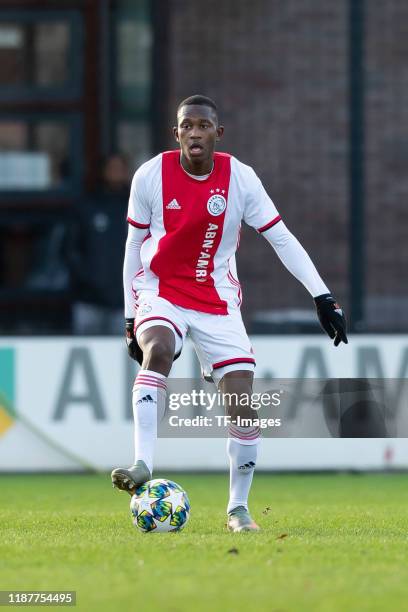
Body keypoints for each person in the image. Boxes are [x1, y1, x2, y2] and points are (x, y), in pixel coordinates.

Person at [111, 95, 348, 532]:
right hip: (161, 290)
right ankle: (143, 462)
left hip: (218, 301)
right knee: (158, 350)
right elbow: (132, 248)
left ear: (218, 134)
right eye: (187, 126)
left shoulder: (240, 179)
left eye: (204, 126)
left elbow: (281, 238)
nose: (195, 133)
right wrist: (130, 317)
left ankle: (238, 509)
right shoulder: (150, 175)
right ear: (176, 133)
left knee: (242, 405)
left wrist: (322, 296)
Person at [69, 154, 130, 334]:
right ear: (103, 172)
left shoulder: (137, 205)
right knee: (85, 347)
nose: (116, 174)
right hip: (89, 300)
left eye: (120, 169)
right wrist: (86, 279)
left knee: (121, 355)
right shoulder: (87, 206)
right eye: (112, 169)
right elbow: (71, 249)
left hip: (124, 302)